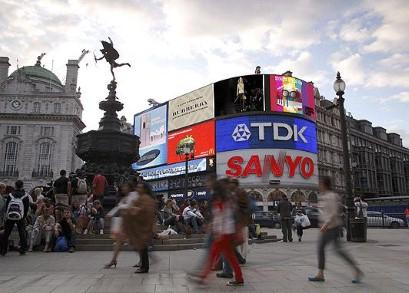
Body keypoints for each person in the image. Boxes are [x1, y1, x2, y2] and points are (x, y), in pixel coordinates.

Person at [309, 176, 363, 283]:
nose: (319, 186)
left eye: (320, 184)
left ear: (325, 185)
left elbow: (333, 212)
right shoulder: (323, 196)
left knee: (327, 249)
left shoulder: (332, 196)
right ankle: (355, 270)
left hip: (331, 227)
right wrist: (316, 205)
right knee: (337, 251)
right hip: (328, 227)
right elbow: (324, 208)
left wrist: (325, 224)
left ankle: (321, 274)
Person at [192, 179, 244, 286]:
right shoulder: (228, 199)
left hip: (223, 233)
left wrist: (217, 232)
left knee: (213, 255)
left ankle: (203, 277)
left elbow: (221, 218)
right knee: (231, 256)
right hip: (228, 232)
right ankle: (239, 278)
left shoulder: (220, 201)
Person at [104, 181, 139, 269]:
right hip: (124, 223)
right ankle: (113, 260)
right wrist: (110, 214)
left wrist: (120, 208)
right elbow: (118, 208)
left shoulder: (134, 195)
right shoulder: (125, 197)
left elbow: (130, 207)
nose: (123, 188)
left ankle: (145, 258)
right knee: (119, 242)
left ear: (129, 187)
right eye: (123, 187)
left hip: (131, 222)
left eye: (125, 186)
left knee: (132, 243)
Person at [122, 182, 156, 273]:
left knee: (143, 247)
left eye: (140, 188)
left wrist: (134, 210)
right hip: (141, 227)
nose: (138, 189)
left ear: (144, 189)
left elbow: (144, 212)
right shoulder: (142, 198)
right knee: (142, 247)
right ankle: (143, 266)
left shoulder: (146, 199)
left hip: (144, 227)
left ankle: (144, 267)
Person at [1, 180, 30, 255]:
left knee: (6, 232)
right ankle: (23, 249)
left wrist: (7, 215)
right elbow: (26, 207)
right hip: (20, 216)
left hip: (10, 216)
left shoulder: (10, 194)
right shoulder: (25, 195)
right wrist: (24, 216)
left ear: (15, 186)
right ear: (22, 186)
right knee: (22, 232)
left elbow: (7, 206)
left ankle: (3, 249)